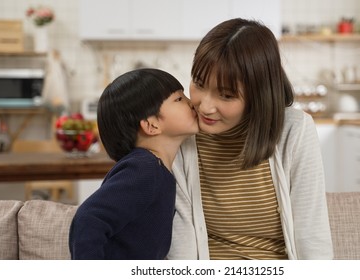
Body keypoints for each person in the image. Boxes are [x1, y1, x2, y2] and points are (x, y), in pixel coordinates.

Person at [167, 18, 334, 260]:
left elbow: (311, 235)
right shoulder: (183, 137)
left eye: (226, 95)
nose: (205, 106)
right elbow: (180, 241)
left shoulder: (294, 131)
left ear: (259, 95)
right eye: (199, 84)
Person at [69, 68, 198, 259]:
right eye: (179, 99)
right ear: (151, 125)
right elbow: (88, 220)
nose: (192, 102)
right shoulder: (144, 169)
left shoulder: (157, 170)